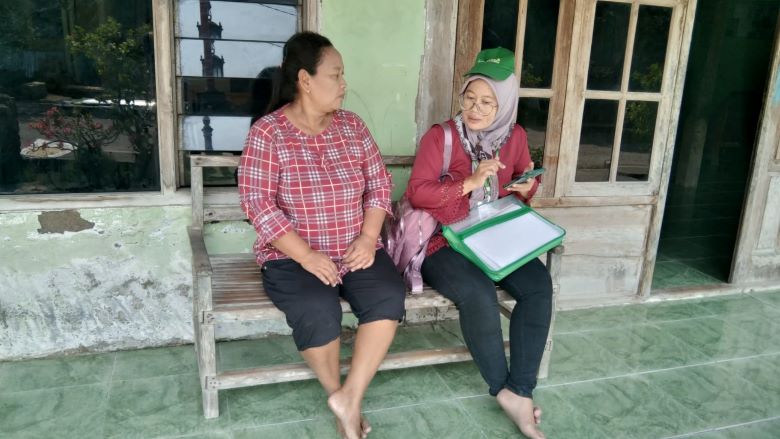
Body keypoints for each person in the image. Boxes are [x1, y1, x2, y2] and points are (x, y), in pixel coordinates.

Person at [237, 31, 405, 439]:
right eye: (336, 74)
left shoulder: (352, 126)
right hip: (293, 256)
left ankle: (350, 397)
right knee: (317, 308)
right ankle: (339, 396)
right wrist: (307, 256)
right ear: (305, 80)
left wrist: (367, 238)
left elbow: (379, 185)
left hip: (354, 248)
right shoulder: (268, 133)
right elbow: (258, 204)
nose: (344, 84)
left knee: (388, 295)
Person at [405, 47, 552, 439]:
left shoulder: (515, 136)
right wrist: (468, 182)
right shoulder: (441, 136)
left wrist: (528, 186)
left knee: (538, 286)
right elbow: (417, 192)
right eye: (470, 98)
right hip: (444, 240)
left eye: (488, 102)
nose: (475, 109)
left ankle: (520, 389)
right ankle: (504, 389)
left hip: (492, 235)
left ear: (505, 104)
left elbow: (523, 180)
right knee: (478, 293)